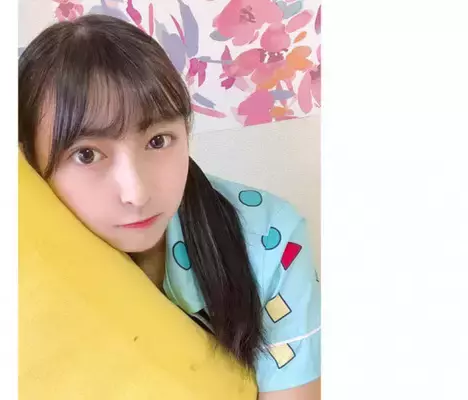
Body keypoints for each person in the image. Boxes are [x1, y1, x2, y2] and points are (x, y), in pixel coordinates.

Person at [18, 14, 321, 399]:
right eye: (88, 154)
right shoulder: (25, 260)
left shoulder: (270, 240)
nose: (136, 193)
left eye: (158, 140)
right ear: (29, 160)